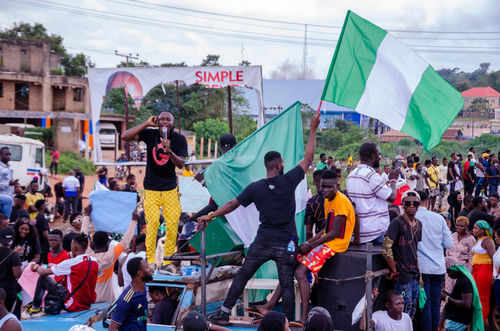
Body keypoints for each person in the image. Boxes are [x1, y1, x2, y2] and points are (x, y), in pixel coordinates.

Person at [198, 112, 321, 324]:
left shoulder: (256, 188)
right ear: (280, 164)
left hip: (263, 241)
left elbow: (231, 205)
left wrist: (211, 215)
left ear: (266, 166)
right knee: (286, 280)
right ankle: (288, 323)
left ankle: (224, 313)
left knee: (243, 274)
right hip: (287, 243)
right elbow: (309, 158)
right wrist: (312, 129)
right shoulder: (289, 180)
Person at [257, 169, 356, 322]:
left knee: (300, 272)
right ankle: (270, 305)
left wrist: (311, 245)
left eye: (329, 187)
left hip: (336, 245)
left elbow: (334, 233)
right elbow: (325, 230)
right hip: (327, 241)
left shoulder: (341, 202)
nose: (324, 190)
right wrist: (309, 242)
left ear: (337, 184)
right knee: (289, 265)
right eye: (322, 186)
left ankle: (304, 318)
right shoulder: (327, 200)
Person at [122, 112, 188, 274]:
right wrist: (146, 123)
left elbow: (181, 164)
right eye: (162, 119)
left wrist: (169, 151)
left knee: (173, 223)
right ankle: (151, 261)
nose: (165, 122)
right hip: (151, 188)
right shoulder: (150, 134)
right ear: (157, 122)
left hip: (170, 188)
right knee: (152, 224)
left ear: (173, 123)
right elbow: (125, 136)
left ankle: (167, 261)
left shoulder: (179, 139)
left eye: (168, 119)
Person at [30, 233, 99, 313]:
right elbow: (78, 272)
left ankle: (35, 308)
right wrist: (56, 266)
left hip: (73, 304)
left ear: (74, 246)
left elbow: (42, 272)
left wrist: (35, 266)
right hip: (87, 303)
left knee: (43, 278)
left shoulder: (70, 263)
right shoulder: (94, 261)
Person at [346, 142, 397, 244]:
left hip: (357, 233)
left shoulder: (351, 175)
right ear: (373, 156)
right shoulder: (371, 176)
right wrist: (393, 181)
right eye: (379, 154)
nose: (380, 157)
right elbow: (392, 197)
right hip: (374, 234)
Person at [83, 208, 137, 302]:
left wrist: (86, 216)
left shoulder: (86, 254)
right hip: (105, 301)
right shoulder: (110, 256)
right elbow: (125, 241)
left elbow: (82, 236)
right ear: (108, 244)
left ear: (93, 243)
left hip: (88, 300)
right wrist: (133, 220)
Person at [382, 190, 422, 319]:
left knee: (412, 308)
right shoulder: (397, 223)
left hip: (414, 276)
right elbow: (386, 248)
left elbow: (415, 250)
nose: (411, 205)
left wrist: (420, 274)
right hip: (402, 276)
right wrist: (394, 269)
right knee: (402, 308)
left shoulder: (419, 224)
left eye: (414, 203)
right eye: (408, 203)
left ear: (418, 205)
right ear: (403, 205)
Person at [416, 192, 453, 331]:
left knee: (424, 304)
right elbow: (449, 243)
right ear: (427, 201)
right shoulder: (438, 218)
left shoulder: (411, 218)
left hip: (422, 269)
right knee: (435, 304)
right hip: (438, 267)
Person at [109, 257, 152, 331]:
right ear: (139, 273)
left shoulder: (143, 290)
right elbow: (112, 328)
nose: (151, 269)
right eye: (147, 267)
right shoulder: (127, 299)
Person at [441, 257, 483, 331]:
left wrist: (447, 298)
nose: (448, 275)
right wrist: (447, 294)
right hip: (456, 320)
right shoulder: (461, 279)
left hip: (458, 321)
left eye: (448, 272)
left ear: (454, 269)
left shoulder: (464, 281)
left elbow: (467, 304)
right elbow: (459, 297)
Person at [471, 220, 495, 323]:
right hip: (476, 270)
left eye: (476, 228)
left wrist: (494, 275)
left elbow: (494, 258)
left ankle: (481, 322)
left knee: (483, 297)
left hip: (484, 270)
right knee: (476, 296)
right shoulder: (479, 240)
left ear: (483, 230)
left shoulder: (487, 241)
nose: (473, 230)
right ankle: (476, 320)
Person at [445, 216, 475, 293]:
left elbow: (471, 257)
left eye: (462, 226)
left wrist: (468, 273)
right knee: (448, 290)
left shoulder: (471, 239)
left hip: (462, 269)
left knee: (459, 291)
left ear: (466, 227)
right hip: (450, 269)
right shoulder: (452, 236)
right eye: (457, 225)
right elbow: (447, 251)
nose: (458, 227)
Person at [0, 227, 21, 319]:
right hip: (9, 291)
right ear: (12, 240)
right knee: (10, 317)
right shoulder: (13, 254)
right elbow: (17, 274)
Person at [305, 170, 325, 240]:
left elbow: (309, 232)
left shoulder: (312, 203)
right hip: (343, 243)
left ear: (313, 182)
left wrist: (308, 244)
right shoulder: (342, 196)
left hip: (321, 243)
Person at [0, 148, 15, 218]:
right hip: (2, 196)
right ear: (0, 155)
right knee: (8, 200)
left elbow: (10, 181)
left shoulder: (10, 167)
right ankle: (6, 221)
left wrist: (15, 184)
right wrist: (8, 184)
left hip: (9, 194)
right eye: (6, 154)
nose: (8, 156)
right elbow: (7, 183)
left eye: (9, 154)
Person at [34, 199, 50, 264]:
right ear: (43, 206)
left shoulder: (37, 217)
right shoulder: (42, 219)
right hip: (44, 247)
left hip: (39, 245)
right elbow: (45, 234)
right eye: (46, 204)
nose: (47, 206)